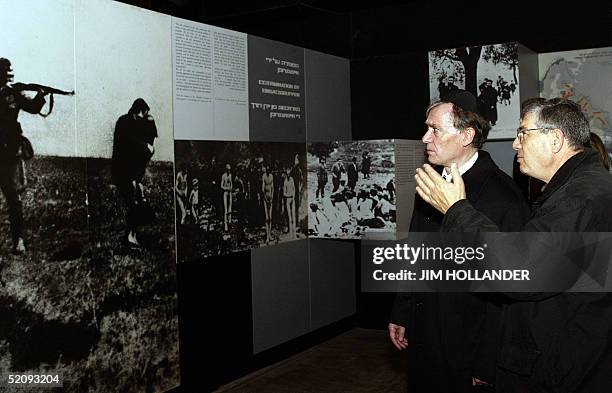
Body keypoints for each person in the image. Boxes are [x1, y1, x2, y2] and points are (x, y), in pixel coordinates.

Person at [414, 97, 612, 392]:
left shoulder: (578, 199)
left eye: (523, 134)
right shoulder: (582, 187)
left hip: (567, 366)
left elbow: (519, 271)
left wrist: (457, 209)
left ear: (555, 139)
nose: (515, 144)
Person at [389, 89, 530, 393]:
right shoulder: (432, 181)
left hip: (465, 348)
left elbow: (507, 292)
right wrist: (402, 311)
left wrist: (487, 361)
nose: (425, 138)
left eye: (435, 129)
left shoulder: (503, 197)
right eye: (427, 128)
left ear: (466, 136)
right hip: (425, 332)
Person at [0, 58, 46, 254]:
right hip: (6, 150)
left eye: (11, 71)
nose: (11, 74)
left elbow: (34, 108)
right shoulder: (11, 94)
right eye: (7, 71)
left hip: (9, 152)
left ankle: (18, 240)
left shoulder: (14, 94)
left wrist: (41, 96)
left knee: (13, 198)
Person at [112, 98, 157, 247]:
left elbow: (145, 147)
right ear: (139, 111)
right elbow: (126, 145)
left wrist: (150, 122)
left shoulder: (134, 124)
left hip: (130, 174)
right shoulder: (124, 123)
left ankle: (131, 236)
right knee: (134, 203)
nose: (145, 118)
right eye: (144, 114)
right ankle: (131, 238)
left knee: (136, 203)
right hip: (122, 172)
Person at [261, 165, 274, 244]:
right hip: (265, 198)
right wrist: (265, 198)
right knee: (267, 218)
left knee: (270, 217)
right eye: (267, 170)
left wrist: (272, 197)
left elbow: (273, 187)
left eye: (269, 170)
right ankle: (267, 237)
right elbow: (262, 189)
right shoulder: (264, 176)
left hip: (270, 198)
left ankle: (269, 235)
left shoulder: (272, 176)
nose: (268, 171)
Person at [283, 167, 296, 239]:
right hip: (288, 199)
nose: (288, 175)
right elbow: (284, 193)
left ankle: (294, 234)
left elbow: (294, 188)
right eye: (287, 174)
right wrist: (289, 195)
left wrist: (293, 196)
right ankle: (291, 234)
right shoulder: (285, 181)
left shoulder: (292, 179)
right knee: (289, 216)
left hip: (292, 199)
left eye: (289, 174)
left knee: (293, 216)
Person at [220, 163, 232, 232]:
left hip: (229, 192)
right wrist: (226, 188)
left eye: (229, 170)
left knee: (230, 207)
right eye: (228, 170)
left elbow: (231, 184)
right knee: (226, 209)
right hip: (225, 192)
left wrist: (230, 189)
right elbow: (221, 186)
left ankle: (229, 222)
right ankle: (225, 225)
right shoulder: (223, 176)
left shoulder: (230, 175)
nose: (229, 171)